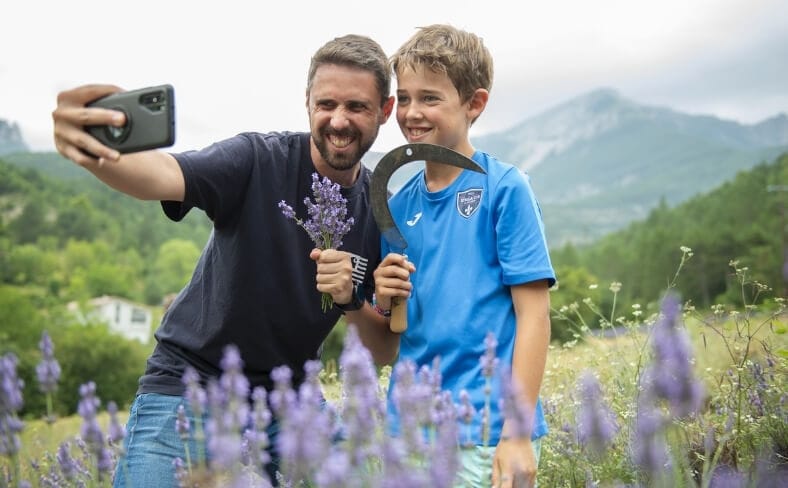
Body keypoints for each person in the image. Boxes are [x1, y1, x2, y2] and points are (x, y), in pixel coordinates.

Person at [52, 34, 400, 487]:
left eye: (356, 106)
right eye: (326, 104)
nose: (338, 120)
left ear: (385, 111)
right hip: (191, 384)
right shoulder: (258, 159)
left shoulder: (380, 212)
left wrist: (350, 299)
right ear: (307, 103)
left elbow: (383, 350)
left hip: (289, 397)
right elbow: (162, 175)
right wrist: (94, 151)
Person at [372, 24, 556, 488]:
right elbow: (395, 331)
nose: (412, 112)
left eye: (430, 98)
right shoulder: (396, 205)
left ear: (474, 104)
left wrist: (516, 434)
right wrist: (384, 295)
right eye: (406, 98)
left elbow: (534, 316)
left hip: (486, 433)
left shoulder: (504, 188)